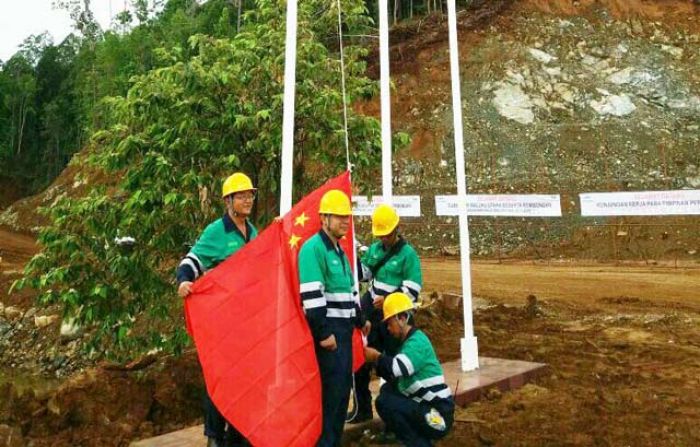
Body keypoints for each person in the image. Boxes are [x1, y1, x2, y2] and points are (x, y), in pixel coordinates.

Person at [176, 172, 258, 447]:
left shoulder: (253, 231)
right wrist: (185, 280)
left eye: (250, 195)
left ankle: (238, 433)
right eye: (242, 196)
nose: (248, 200)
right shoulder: (216, 231)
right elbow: (192, 260)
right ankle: (214, 435)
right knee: (220, 377)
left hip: (247, 321)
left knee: (244, 378)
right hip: (223, 321)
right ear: (228, 201)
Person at [298, 189, 370, 447]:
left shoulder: (340, 251)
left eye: (347, 217)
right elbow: (312, 296)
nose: (344, 222)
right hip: (330, 337)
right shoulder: (312, 249)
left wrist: (360, 319)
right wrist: (323, 334)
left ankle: (333, 441)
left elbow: (351, 291)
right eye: (339, 217)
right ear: (324, 218)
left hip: (344, 333)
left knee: (341, 397)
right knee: (331, 398)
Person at [348, 203, 423, 423]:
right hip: (371, 313)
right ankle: (362, 409)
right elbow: (362, 275)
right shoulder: (374, 250)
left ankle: (396, 414)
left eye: (387, 235)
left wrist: (389, 300)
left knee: (392, 366)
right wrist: (351, 254)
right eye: (381, 235)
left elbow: (413, 290)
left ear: (396, 229)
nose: (384, 239)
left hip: (394, 318)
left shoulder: (408, 255)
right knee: (360, 359)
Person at [364, 292, 455, 447]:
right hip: (431, 408)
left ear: (402, 318)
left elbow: (397, 368)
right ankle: (408, 437)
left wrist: (376, 357)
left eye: (389, 322)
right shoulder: (409, 341)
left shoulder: (416, 342)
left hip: (439, 415)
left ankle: (418, 443)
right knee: (388, 390)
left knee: (385, 402)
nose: (388, 328)